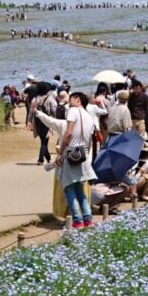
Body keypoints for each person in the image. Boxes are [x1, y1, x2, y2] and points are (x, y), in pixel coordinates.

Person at [52, 90, 98, 229]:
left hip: (71, 151)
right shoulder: (89, 116)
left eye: (71, 99)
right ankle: (87, 219)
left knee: (68, 188)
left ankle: (77, 220)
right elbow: (90, 141)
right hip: (83, 153)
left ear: (78, 100)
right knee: (79, 188)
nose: (69, 101)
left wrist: (61, 152)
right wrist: (86, 155)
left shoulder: (73, 110)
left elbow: (69, 132)